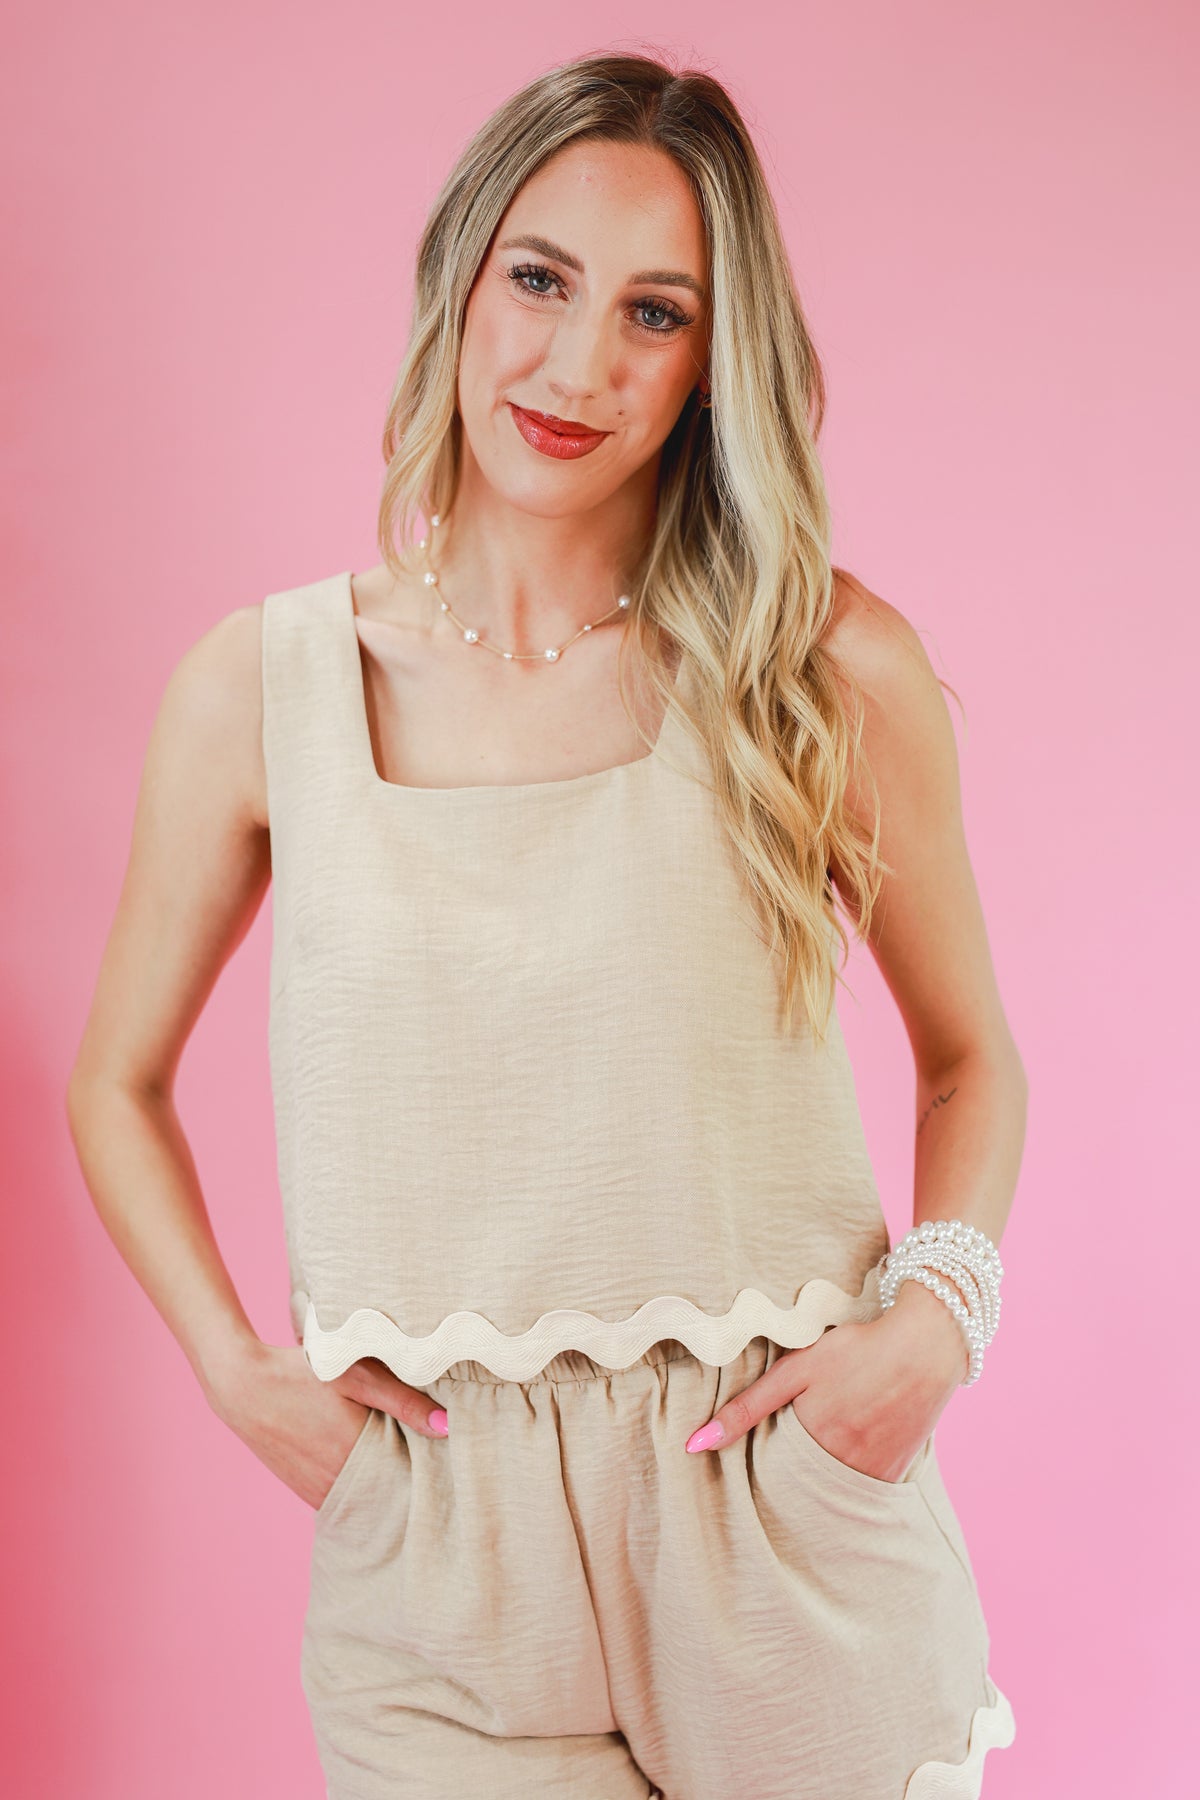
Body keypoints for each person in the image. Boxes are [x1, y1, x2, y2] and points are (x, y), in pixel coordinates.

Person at [66, 50, 1026, 1800]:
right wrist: (234, 1373)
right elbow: (114, 1079)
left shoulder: (816, 671)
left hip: (782, 1525)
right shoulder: (262, 691)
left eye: (657, 314)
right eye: (541, 278)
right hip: (443, 1575)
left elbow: (971, 1058)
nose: (580, 366)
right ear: (459, 273)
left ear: (713, 363)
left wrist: (938, 1325)